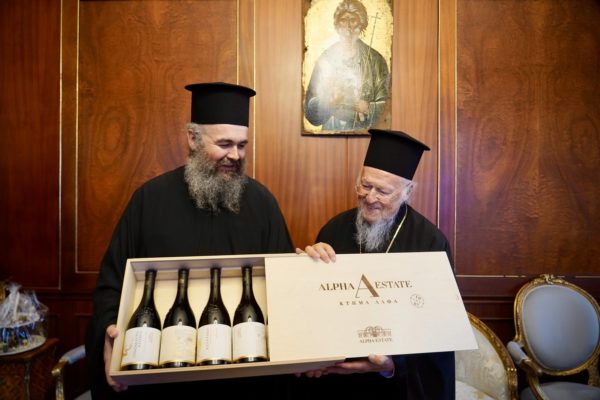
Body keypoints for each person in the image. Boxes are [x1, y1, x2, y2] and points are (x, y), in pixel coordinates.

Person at [85, 82, 294, 398]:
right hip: (162, 380)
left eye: (242, 145)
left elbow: (284, 287)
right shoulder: (149, 201)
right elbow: (111, 286)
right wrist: (109, 331)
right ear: (193, 139)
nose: (235, 155)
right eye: (224, 144)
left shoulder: (262, 204)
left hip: (242, 380)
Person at [295, 129, 455, 399]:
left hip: (396, 387)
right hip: (338, 380)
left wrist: (393, 364)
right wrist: (309, 268)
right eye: (365, 186)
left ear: (407, 192)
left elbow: (439, 330)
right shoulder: (334, 229)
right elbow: (315, 308)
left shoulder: (430, 243)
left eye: (383, 191)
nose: (370, 198)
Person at [304, 0, 390, 132]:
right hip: (331, 131)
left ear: (361, 23)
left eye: (353, 20)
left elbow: (388, 106)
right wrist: (329, 102)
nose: (348, 27)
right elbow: (309, 109)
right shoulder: (325, 59)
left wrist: (368, 107)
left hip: (364, 132)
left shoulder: (375, 60)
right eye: (343, 20)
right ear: (337, 24)